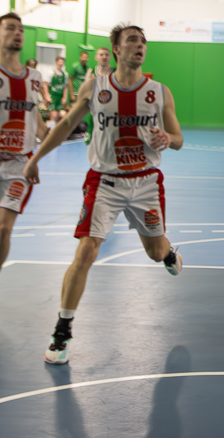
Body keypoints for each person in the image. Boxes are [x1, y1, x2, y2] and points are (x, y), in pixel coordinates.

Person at [25, 23, 183, 364]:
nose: (139, 46)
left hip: (145, 183)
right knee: (85, 252)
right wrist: (35, 158)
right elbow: (66, 125)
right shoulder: (94, 87)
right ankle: (62, 332)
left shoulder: (159, 91)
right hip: (104, 182)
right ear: (116, 48)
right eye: (132, 40)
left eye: (143, 41)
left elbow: (178, 137)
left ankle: (168, 254)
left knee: (155, 252)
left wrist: (168, 140)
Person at [0, 14, 48, 272]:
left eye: (21, 29)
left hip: (19, 165)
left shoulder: (34, 77)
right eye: (10, 28)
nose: (17, 32)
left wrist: (36, 158)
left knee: (3, 229)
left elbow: (37, 122)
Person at [44, 55, 70, 126]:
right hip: (53, 97)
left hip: (60, 97)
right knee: (54, 114)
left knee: (63, 114)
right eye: (59, 62)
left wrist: (64, 98)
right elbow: (45, 84)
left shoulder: (65, 74)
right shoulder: (51, 72)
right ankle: (51, 132)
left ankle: (59, 132)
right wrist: (47, 96)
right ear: (56, 62)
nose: (61, 63)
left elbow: (65, 87)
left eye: (62, 62)